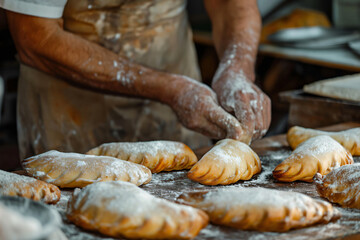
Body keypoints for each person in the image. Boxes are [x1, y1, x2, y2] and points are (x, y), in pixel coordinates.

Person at [1, 0, 271, 160]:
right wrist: (170, 89)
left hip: (182, 98)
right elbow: (36, 37)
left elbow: (230, 4)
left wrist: (237, 69)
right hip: (70, 114)